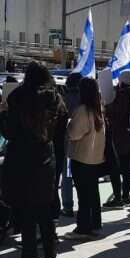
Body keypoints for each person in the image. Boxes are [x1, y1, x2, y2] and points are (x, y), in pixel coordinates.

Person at [0, 62, 66, 258]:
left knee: (26, 208)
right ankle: (50, 249)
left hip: (22, 157)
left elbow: (9, 132)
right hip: (46, 155)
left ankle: (29, 257)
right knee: (44, 206)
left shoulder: (18, 97)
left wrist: (2, 114)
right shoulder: (55, 98)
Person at [65, 77, 106, 240]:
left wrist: (68, 124)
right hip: (96, 158)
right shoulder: (99, 109)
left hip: (81, 158)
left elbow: (74, 134)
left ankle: (83, 228)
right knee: (93, 193)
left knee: (83, 195)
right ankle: (95, 223)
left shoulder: (82, 110)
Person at [105, 70, 130, 207]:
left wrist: (108, 107)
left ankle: (119, 197)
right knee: (127, 168)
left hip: (119, 135)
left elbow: (116, 116)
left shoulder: (121, 95)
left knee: (116, 167)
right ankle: (126, 196)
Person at [57, 72, 83, 217]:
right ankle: (84, 205)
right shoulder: (86, 99)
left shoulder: (64, 99)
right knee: (81, 176)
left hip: (67, 143)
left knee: (67, 175)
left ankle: (67, 206)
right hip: (84, 143)